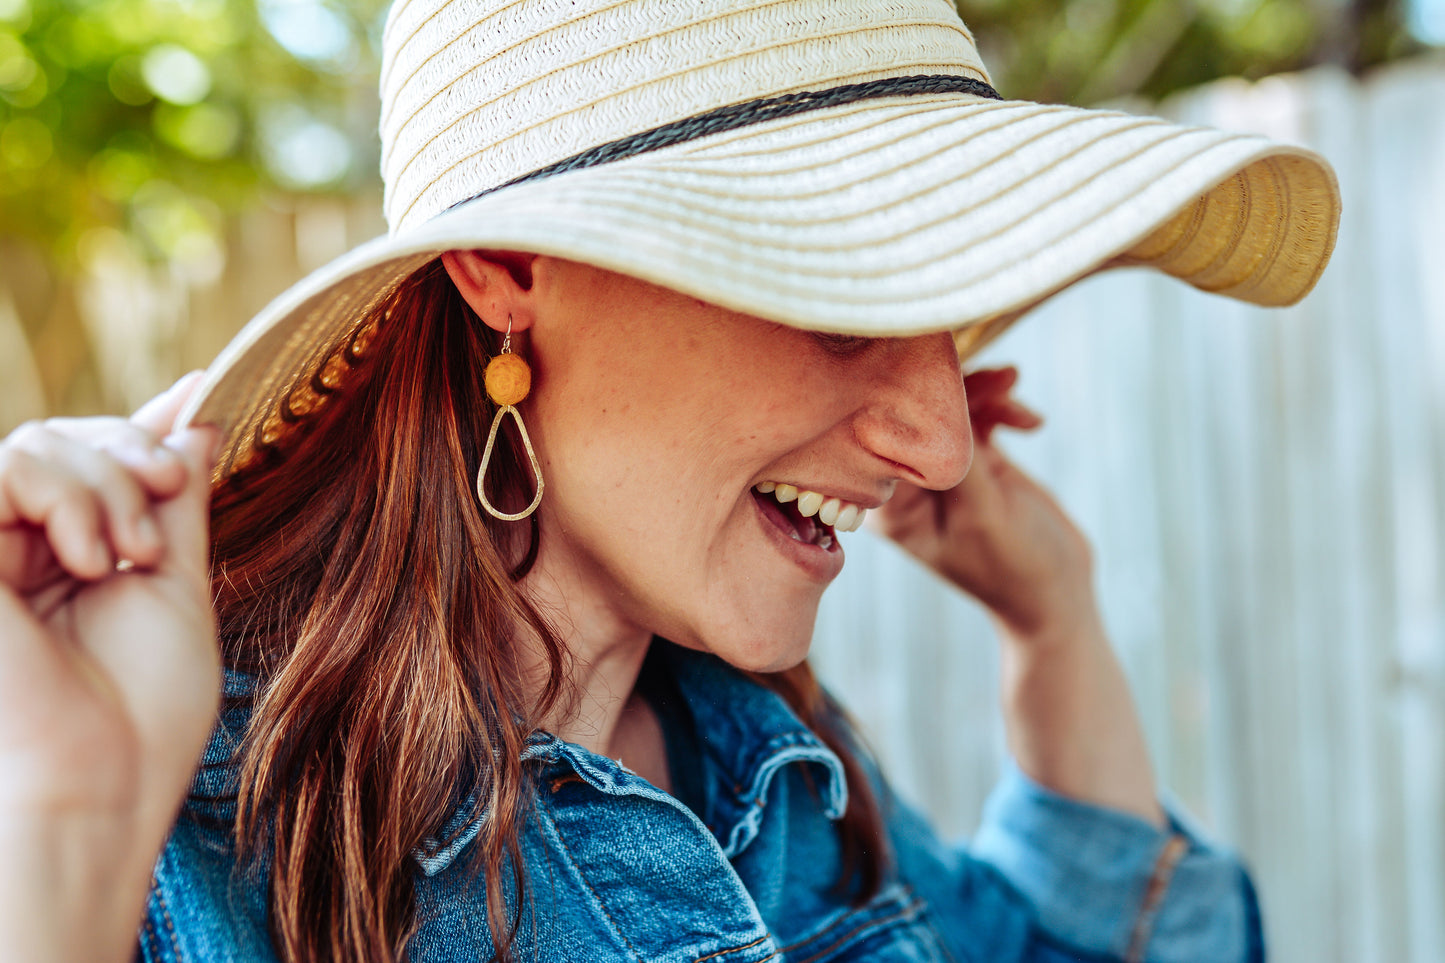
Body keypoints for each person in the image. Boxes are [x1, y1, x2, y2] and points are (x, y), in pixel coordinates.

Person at [0, 1, 1339, 961]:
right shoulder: (168, 814)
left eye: (948, 317)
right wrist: (67, 831)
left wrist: (1052, 627)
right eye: (843, 302)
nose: (940, 440)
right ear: (508, 273)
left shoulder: (769, 767)